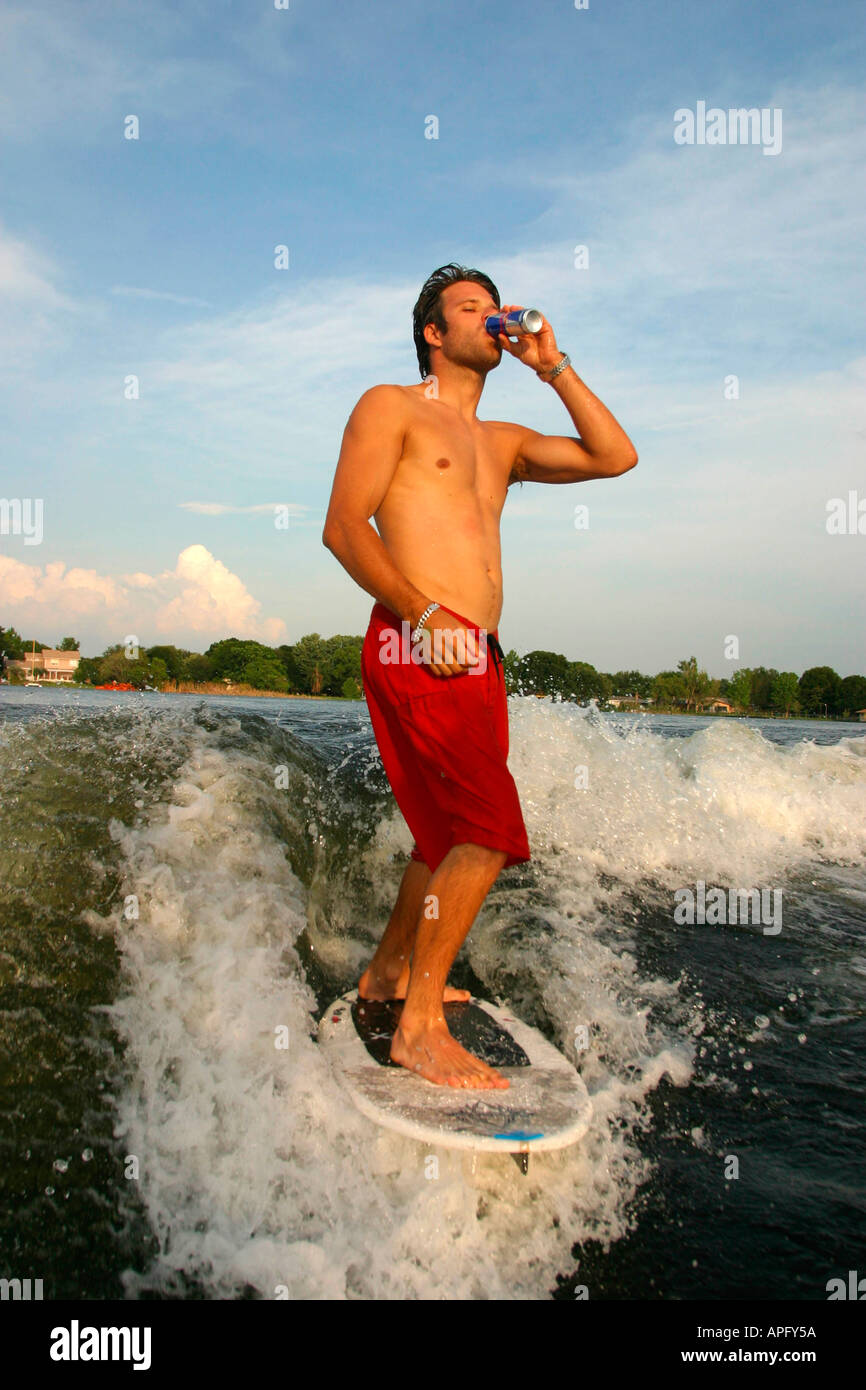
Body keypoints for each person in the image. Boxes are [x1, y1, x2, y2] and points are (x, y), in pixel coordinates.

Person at [322, 262, 637, 1089]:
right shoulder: (389, 405)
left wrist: (552, 366)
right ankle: (418, 1026)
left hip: (479, 658)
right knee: (490, 831)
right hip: (416, 638)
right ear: (435, 332)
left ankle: (390, 975)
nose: (492, 319)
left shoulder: (500, 442)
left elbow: (616, 456)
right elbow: (343, 528)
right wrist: (422, 617)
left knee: (443, 833)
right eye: (472, 309)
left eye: (497, 309)